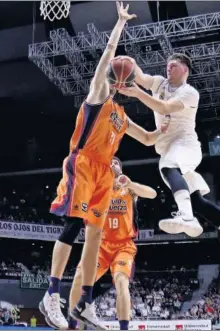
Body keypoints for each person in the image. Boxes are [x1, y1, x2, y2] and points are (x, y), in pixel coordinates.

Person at [40, 3, 174, 329]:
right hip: (83, 162)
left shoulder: (122, 115)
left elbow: (146, 138)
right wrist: (118, 26)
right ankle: (51, 295)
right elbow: (104, 62)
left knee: (94, 238)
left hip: (102, 173)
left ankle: (83, 303)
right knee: (73, 225)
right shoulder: (99, 94)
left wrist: (165, 129)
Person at [118, 53, 220, 268]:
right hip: (169, 149)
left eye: (174, 66)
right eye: (167, 65)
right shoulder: (159, 83)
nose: (169, 69)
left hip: (186, 147)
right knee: (199, 202)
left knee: (167, 166)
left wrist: (138, 94)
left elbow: (164, 108)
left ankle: (187, 217)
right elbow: (139, 76)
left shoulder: (189, 93)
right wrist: (127, 62)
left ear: (185, 69)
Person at [68, 157, 156, 330]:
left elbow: (152, 193)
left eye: (116, 163)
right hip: (99, 245)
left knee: (121, 281)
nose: (113, 164)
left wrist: (131, 184)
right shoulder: (97, 189)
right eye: (110, 163)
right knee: (78, 279)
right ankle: (72, 326)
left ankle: (123, 328)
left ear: (121, 169)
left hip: (123, 245)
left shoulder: (128, 189)